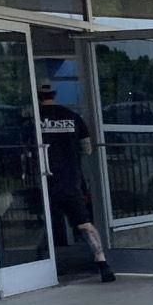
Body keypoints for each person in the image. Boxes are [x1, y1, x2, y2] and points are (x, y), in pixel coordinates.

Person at [37, 81, 113, 282]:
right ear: (55, 94)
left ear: (36, 96)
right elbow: (87, 148)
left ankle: (39, 260)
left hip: (46, 181)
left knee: (48, 222)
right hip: (71, 180)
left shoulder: (34, 120)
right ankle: (103, 265)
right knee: (84, 224)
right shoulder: (73, 117)